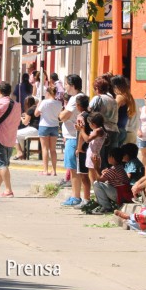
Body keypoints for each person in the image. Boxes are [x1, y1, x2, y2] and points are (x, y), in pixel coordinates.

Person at [59, 74, 85, 206]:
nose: (65, 87)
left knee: (74, 168)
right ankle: (75, 195)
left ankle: (76, 196)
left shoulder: (76, 99)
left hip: (73, 137)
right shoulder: (76, 98)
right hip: (72, 136)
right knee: (73, 168)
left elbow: (63, 116)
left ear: (73, 85)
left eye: (66, 84)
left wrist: (61, 113)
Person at [91, 149, 132, 214]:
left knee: (96, 184)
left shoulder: (114, 169)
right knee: (103, 183)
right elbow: (103, 179)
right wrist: (102, 172)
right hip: (122, 194)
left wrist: (96, 166)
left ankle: (106, 207)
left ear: (112, 158)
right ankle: (104, 205)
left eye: (108, 157)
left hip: (120, 195)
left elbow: (99, 179)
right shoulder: (119, 167)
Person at [90, 75, 119, 166]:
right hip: (114, 130)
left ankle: (101, 179)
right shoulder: (113, 100)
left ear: (97, 88)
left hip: (102, 131)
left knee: (100, 159)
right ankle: (111, 178)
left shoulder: (98, 98)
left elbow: (89, 112)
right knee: (112, 159)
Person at [35, 86, 62, 176]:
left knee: (45, 149)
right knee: (53, 150)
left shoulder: (44, 102)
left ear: (48, 93)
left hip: (44, 125)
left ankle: (45, 170)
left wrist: (38, 105)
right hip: (54, 125)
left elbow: (36, 114)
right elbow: (59, 114)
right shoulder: (59, 103)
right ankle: (54, 170)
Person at [111, 75, 136, 147]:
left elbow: (113, 111)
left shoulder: (119, 97)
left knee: (113, 155)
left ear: (116, 86)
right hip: (123, 130)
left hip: (117, 130)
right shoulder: (128, 96)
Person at [13, 96, 39, 161]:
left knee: (14, 134)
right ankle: (23, 153)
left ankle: (19, 152)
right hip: (38, 130)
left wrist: (21, 118)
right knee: (20, 136)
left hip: (33, 129)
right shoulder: (36, 108)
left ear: (27, 103)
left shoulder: (30, 110)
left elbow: (25, 123)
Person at [137, 92, 146, 175]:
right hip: (142, 136)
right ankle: (145, 173)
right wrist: (138, 130)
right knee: (144, 155)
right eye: (145, 98)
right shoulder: (142, 109)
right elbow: (139, 121)